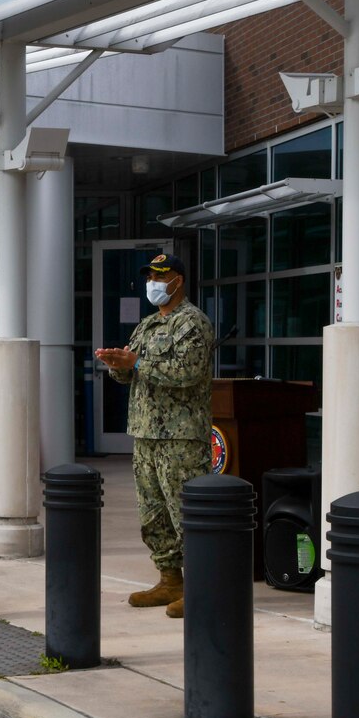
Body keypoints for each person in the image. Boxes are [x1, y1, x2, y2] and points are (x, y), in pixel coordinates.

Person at [95, 254, 216, 620]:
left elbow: (187, 373)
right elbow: (133, 373)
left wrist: (136, 364)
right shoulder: (147, 325)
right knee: (153, 513)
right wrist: (119, 366)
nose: (153, 282)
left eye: (160, 276)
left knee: (186, 513)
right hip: (146, 433)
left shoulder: (192, 322)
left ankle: (203, 587)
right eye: (149, 276)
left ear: (178, 280)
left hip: (180, 436)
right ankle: (170, 579)